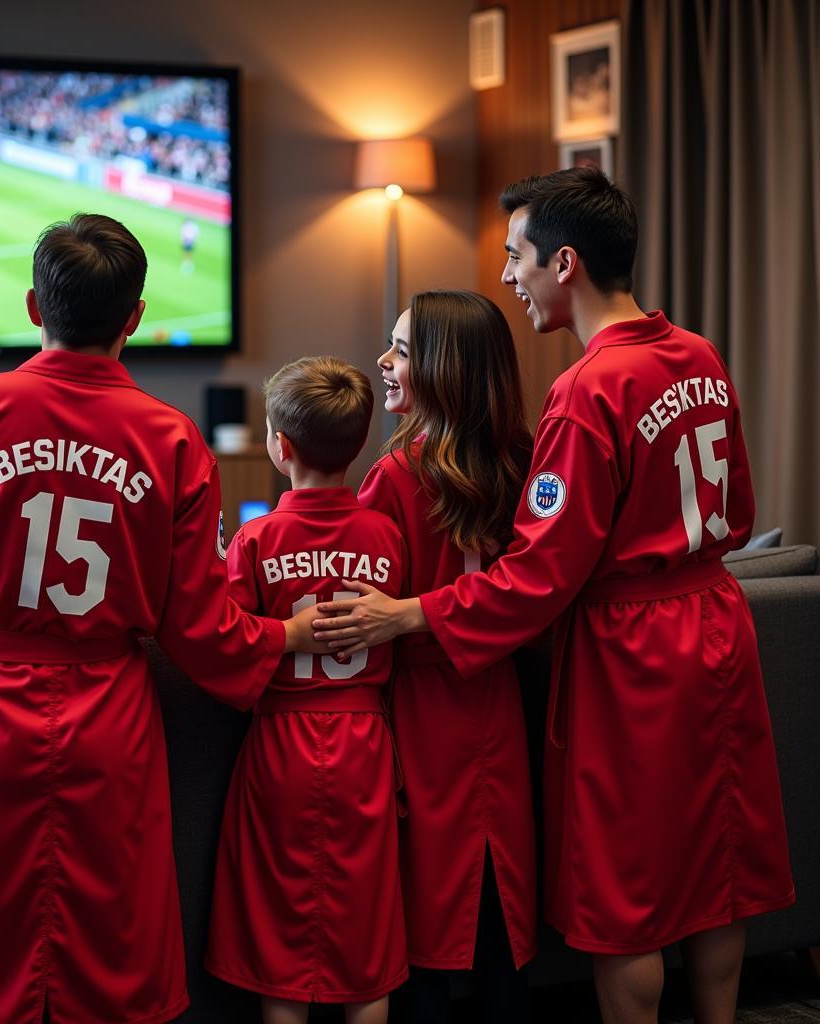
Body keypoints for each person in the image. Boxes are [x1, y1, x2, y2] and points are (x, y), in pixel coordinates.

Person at [0, 213, 324, 1024]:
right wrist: (283, 634)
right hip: (111, 723)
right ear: (137, 318)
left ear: (35, 307)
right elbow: (200, 627)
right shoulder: (177, 441)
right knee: (108, 949)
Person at [314, 169, 795, 1024]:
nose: (508, 276)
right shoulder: (699, 354)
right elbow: (740, 509)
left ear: (564, 263)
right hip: (721, 623)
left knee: (628, 890)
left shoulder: (585, 393)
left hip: (635, 650)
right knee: (722, 867)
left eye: (516, 256)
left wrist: (412, 612)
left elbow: (539, 575)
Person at [204, 357, 409, 1024]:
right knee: (366, 938)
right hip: (365, 746)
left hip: (282, 748)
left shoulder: (258, 538)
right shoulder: (388, 533)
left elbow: (226, 639)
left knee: (282, 943)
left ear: (280, 447)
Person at [357, 290, 536, 1023]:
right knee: (501, 909)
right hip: (499, 701)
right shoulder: (524, 459)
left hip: (419, 711)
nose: (384, 362)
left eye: (400, 349)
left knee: (424, 908)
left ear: (443, 369)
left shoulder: (395, 476)